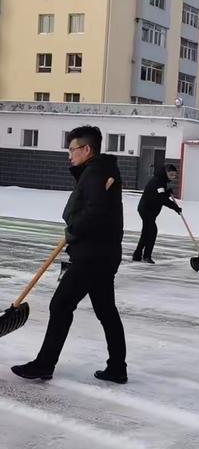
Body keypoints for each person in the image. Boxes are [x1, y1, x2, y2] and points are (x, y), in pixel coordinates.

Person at [11, 126, 128, 384]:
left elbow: (95, 213)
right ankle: (117, 367)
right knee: (106, 309)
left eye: (72, 150)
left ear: (87, 149)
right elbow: (97, 209)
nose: (69, 156)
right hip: (104, 254)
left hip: (92, 255)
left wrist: (74, 229)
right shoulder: (100, 170)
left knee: (61, 304)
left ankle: (44, 364)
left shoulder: (96, 172)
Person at [132, 164, 182, 264]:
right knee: (152, 231)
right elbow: (161, 199)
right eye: (171, 175)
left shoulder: (161, 181)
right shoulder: (158, 182)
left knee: (146, 232)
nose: (172, 177)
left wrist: (167, 193)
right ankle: (146, 256)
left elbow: (160, 195)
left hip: (149, 210)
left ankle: (137, 255)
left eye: (174, 175)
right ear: (166, 173)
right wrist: (175, 207)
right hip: (146, 210)